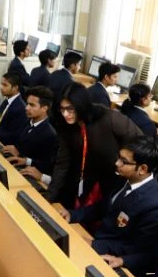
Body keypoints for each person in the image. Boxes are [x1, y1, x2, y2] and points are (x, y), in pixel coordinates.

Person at [66, 136, 158, 277]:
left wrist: (95, 245)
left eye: (124, 161)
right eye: (119, 158)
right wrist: (72, 215)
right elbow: (103, 208)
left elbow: (139, 249)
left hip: (113, 260)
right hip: (96, 241)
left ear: (142, 169)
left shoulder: (156, 205)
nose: (117, 163)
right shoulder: (124, 178)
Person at [48, 82, 143, 210]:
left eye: (70, 109)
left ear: (81, 105)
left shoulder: (109, 118)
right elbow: (63, 162)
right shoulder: (64, 124)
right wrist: (49, 197)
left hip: (113, 180)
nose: (65, 114)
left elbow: (140, 142)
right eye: (62, 109)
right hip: (83, 180)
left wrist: (124, 163)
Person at [4, 86, 59, 182]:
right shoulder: (27, 121)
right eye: (27, 104)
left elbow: (46, 165)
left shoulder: (49, 134)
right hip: (18, 167)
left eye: (32, 105)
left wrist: (25, 159)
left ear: (44, 108)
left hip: (30, 178)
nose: (26, 108)